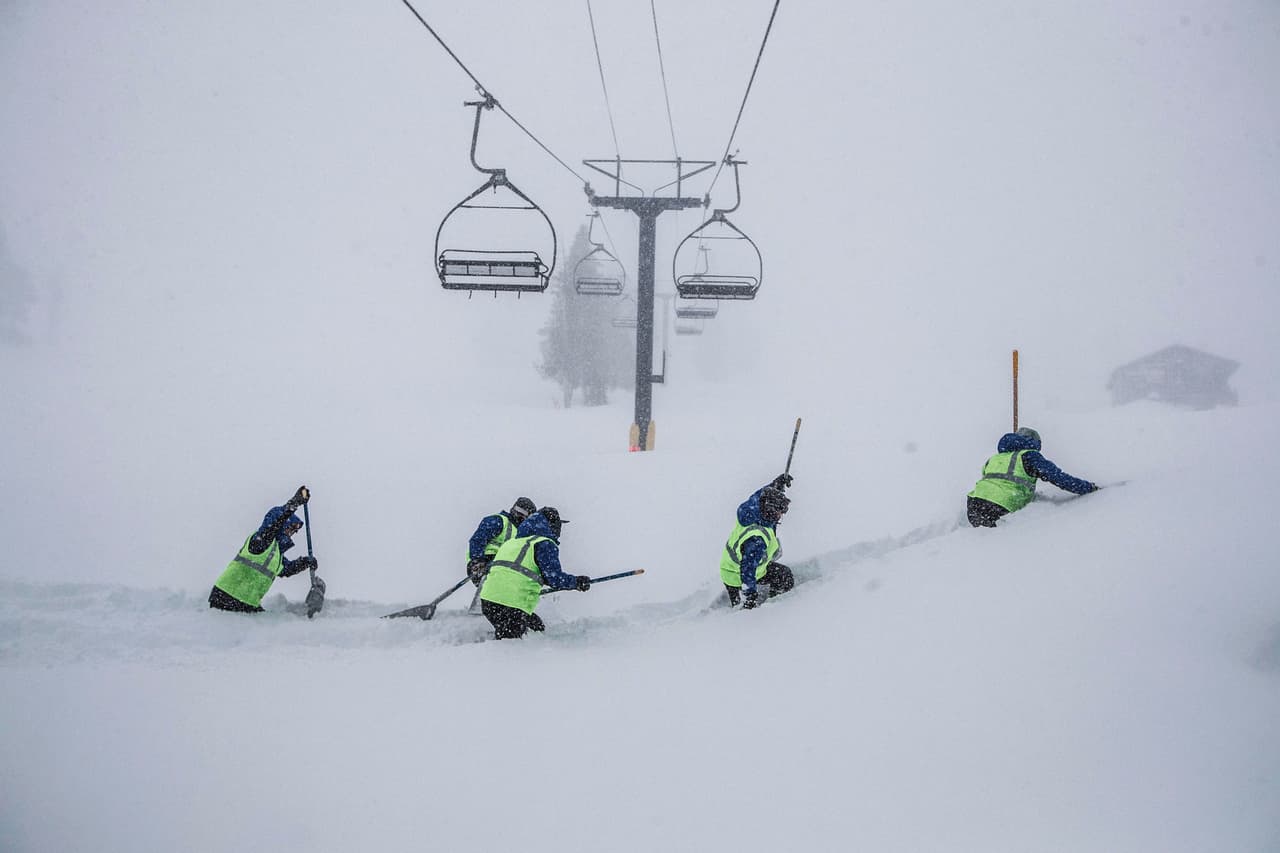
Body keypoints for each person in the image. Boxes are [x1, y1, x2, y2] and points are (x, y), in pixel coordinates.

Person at [477, 506, 590, 639]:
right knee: (512, 645)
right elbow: (554, 578)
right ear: (551, 525)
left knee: (536, 628)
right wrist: (577, 582)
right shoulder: (544, 544)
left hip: (489, 601)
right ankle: (496, 656)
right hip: (511, 604)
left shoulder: (512, 543)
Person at [209, 486, 318, 612]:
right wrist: (293, 504)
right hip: (226, 598)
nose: (293, 533)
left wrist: (306, 562)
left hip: (246, 603)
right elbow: (274, 526)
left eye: (295, 531)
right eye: (291, 528)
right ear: (283, 525)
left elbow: (287, 569)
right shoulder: (261, 540)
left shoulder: (276, 555)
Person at [966, 426, 1098, 527]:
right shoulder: (1029, 456)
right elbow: (1058, 477)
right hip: (1000, 506)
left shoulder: (994, 459)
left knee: (984, 543)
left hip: (974, 504)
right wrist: (1088, 488)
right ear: (1034, 442)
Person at [720, 474, 796, 609]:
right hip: (736, 575)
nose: (781, 516)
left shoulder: (751, 509)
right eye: (779, 512)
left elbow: (761, 495)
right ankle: (773, 608)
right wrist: (750, 595)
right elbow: (747, 568)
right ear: (771, 512)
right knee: (784, 578)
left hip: (730, 566)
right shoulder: (757, 540)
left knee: (782, 574)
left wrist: (776, 484)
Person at [465, 496, 537, 587]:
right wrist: (477, 560)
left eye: (524, 514)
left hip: (505, 566)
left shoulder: (521, 533)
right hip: (486, 561)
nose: (520, 516)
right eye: (519, 511)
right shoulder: (499, 520)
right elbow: (478, 539)